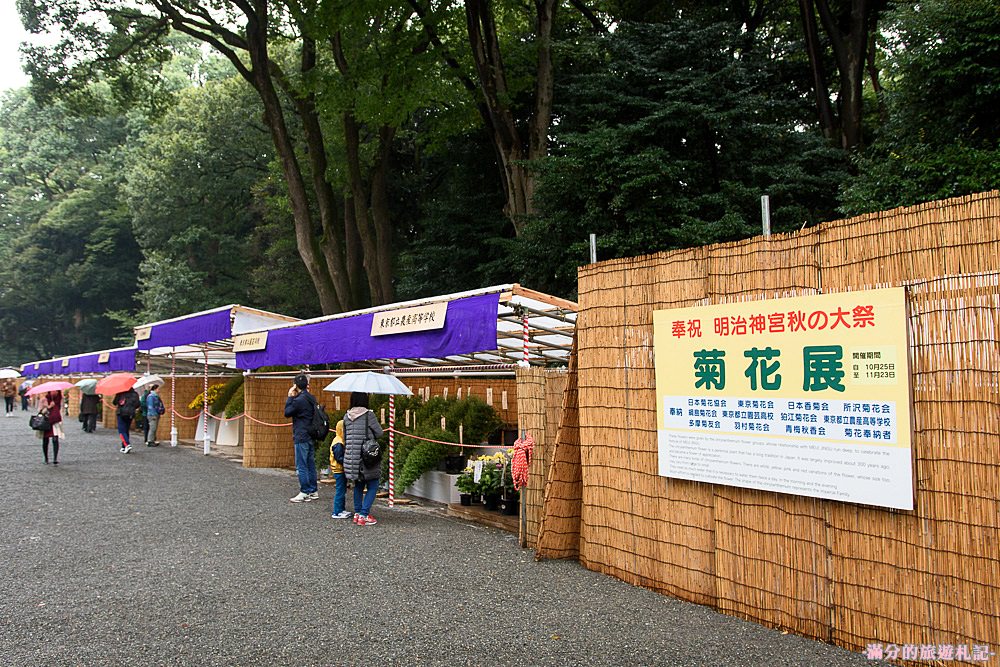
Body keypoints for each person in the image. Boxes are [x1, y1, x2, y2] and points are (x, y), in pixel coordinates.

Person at [342, 391, 383, 526]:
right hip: (366, 457)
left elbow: (346, 437)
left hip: (351, 458)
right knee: (373, 484)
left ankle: (358, 513)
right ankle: (364, 514)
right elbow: (379, 433)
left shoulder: (346, 417)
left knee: (359, 485)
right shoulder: (368, 415)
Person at [284, 373, 318, 503]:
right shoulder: (311, 398)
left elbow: (287, 413)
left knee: (302, 465)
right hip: (310, 433)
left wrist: (289, 397)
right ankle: (313, 490)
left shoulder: (298, 400)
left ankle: (304, 491)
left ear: (296, 385)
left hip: (301, 434)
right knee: (310, 463)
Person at [329, 420, 350, 519]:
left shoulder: (338, 440)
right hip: (339, 470)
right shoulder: (339, 442)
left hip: (339, 470)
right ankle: (337, 511)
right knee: (340, 491)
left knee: (342, 490)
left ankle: (341, 509)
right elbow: (339, 457)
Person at [112, 386, 141, 453]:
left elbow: (114, 402)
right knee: (126, 429)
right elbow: (138, 404)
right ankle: (123, 446)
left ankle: (127, 444)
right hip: (130, 413)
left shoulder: (120, 393)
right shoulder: (135, 394)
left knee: (121, 430)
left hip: (121, 413)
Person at [38, 390, 63, 465]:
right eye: (53, 391)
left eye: (56, 391)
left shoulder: (59, 399)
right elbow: (40, 411)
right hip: (46, 422)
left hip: (55, 422)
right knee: (45, 440)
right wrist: (49, 407)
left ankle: (55, 458)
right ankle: (46, 458)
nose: (54, 392)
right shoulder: (44, 399)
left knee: (55, 439)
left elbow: (61, 410)